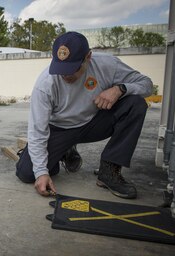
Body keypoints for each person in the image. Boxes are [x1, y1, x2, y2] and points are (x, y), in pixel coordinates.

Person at [16, 31, 153, 199]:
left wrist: (120, 89)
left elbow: (146, 84)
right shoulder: (45, 84)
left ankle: (109, 170)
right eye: (61, 69)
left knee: (136, 104)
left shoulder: (108, 65)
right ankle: (65, 150)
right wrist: (41, 172)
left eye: (73, 69)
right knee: (27, 174)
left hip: (94, 122)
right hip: (59, 129)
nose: (66, 75)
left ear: (88, 57)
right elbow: (37, 131)